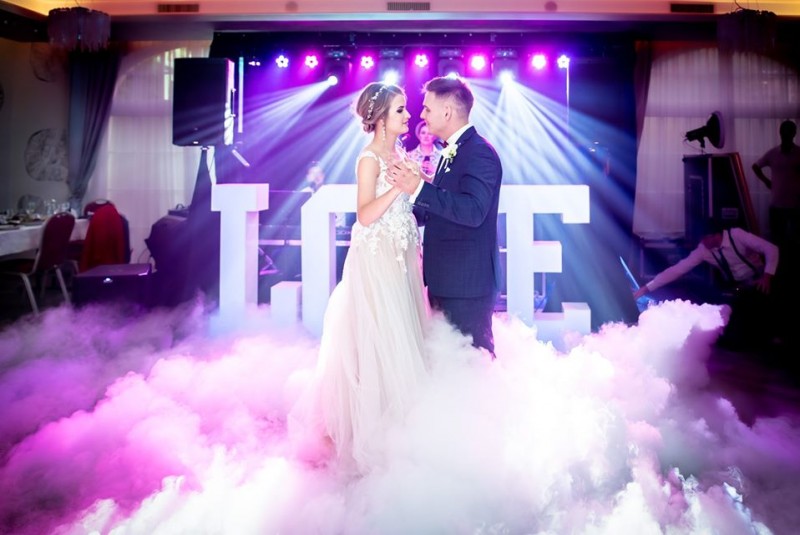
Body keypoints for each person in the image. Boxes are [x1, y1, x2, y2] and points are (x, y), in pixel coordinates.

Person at [297, 82, 429, 473]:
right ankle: (374, 437)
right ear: (382, 118)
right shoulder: (368, 159)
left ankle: (406, 429)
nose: (408, 115)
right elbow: (366, 215)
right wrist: (399, 189)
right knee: (382, 338)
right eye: (401, 110)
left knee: (405, 335)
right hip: (377, 258)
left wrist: (414, 185)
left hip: (402, 255)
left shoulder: (400, 153)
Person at [387, 76, 503, 356]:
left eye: (427, 108)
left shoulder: (479, 153)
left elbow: (473, 211)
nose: (422, 115)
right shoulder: (453, 150)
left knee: (473, 363)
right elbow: (442, 209)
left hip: (466, 285)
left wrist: (419, 188)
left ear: (447, 112)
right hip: (447, 280)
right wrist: (400, 209)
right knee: (448, 363)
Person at [633, 225, 780, 350]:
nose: (703, 242)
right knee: (731, 339)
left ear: (717, 235)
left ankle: (773, 337)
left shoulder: (737, 235)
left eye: (706, 238)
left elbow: (772, 249)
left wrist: (767, 276)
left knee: (765, 310)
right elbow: (677, 270)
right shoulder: (703, 250)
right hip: (738, 287)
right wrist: (646, 288)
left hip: (760, 279)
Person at [752, 120, 800, 249]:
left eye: (789, 132)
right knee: (777, 242)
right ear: (780, 133)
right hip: (776, 205)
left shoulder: (799, 153)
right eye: (784, 132)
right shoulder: (773, 153)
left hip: (796, 205)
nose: (786, 135)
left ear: (794, 133)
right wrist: (766, 181)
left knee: (795, 242)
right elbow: (755, 166)